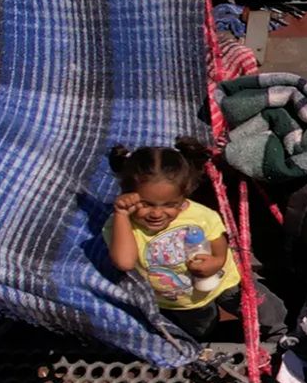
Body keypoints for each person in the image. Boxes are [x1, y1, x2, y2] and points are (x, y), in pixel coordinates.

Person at [105, 140, 281, 339]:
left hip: (225, 282)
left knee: (262, 311)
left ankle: (279, 333)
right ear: (128, 195)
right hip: (181, 301)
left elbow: (218, 240)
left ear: (184, 196)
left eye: (170, 205)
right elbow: (124, 261)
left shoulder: (199, 215)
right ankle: (212, 340)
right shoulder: (123, 226)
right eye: (146, 204)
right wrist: (121, 214)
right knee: (202, 329)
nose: (157, 213)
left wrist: (216, 262)